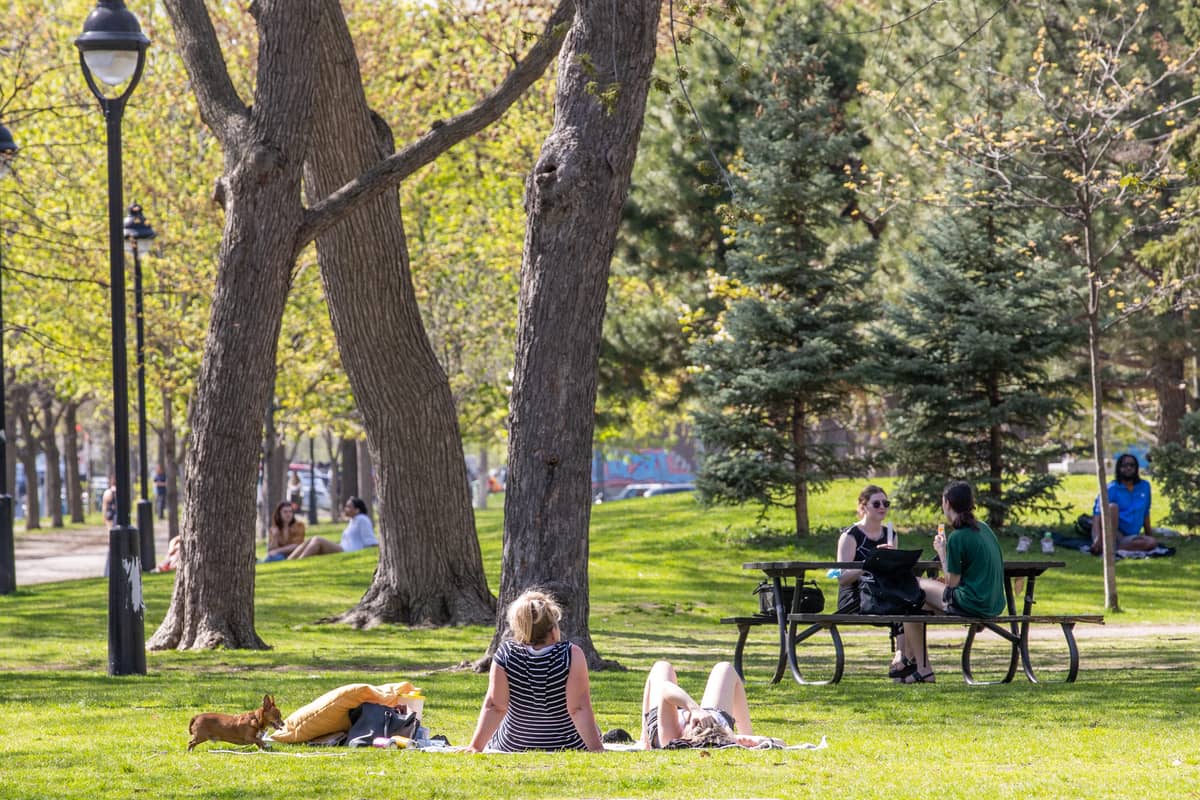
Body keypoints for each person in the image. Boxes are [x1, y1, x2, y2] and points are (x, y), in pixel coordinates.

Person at [466, 590, 603, 752]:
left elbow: (495, 706)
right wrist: (596, 748)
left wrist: (475, 746)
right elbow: (578, 707)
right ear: (553, 630)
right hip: (569, 744)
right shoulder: (571, 654)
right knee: (597, 728)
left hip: (513, 743)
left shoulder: (506, 653)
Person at [905, 481, 1006, 683]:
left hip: (972, 603)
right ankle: (911, 667)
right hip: (993, 603)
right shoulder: (984, 529)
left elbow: (951, 583)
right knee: (918, 604)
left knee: (910, 591)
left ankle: (920, 668)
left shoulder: (958, 537)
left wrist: (942, 552)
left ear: (947, 503)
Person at [835, 484, 913, 680]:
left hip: (881, 593)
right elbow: (842, 578)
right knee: (900, 601)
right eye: (876, 503)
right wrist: (871, 562)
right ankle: (901, 660)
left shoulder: (890, 534)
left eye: (885, 503)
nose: (882, 507)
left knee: (910, 600)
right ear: (863, 507)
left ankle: (902, 658)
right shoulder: (851, 536)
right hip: (854, 597)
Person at [639, 661, 783, 749]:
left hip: (667, 720)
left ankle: (644, 740)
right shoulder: (726, 736)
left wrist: (694, 709)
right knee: (724, 667)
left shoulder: (671, 737)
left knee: (662, 667)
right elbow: (780, 743)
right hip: (718, 727)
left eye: (696, 724)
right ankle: (747, 730)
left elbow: (666, 688)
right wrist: (751, 739)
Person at [1090, 453, 1158, 554]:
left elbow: (1146, 512)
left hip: (1129, 537)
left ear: (1136, 468)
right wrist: (1097, 538)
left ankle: (1111, 548)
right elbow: (1097, 515)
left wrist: (1149, 534)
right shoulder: (1111, 488)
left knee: (1152, 543)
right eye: (1125, 465)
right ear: (1119, 468)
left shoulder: (1145, 486)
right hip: (1112, 532)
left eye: (1132, 465)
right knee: (1112, 507)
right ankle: (1107, 544)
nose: (1129, 468)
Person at [287, 496, 377, 559]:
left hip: (348, 551)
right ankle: (289, 560)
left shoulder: (362, 519)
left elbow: (370, 540)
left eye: (349, 507)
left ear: (357, 510)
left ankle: (300, 561)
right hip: (343, 547)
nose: (345, 509)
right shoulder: (353, 520)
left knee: (317, 539)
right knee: (311, 539)